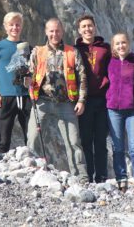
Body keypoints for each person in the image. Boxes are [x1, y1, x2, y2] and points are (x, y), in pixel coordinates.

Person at [27, 18, 88, 180]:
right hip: (42, 102)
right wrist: (25, 79)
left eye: (58, 31)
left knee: (73, 141)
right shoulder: (37, 52)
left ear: (62, 32)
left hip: (66, 103)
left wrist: (81, 100)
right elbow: (29, 75)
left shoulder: (72, 52)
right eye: (51, 31)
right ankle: (31, 172)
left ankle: (81, 177)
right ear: (46, 32)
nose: (55, 34)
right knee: (33, 138)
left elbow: (82, 77)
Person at [0, 12, 32, 153]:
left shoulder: (28, 47)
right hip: (6, 96)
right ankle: (0, 164)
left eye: (17, 24)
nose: (14, 27)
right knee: (3, 136)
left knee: (30, 135)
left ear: (21, 26)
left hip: (25, 95)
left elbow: (34, 71)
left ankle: (33, 162)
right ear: (5, 27)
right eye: (11, 25)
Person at [106, 33, 134, 194]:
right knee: (117, 147)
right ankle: (121, 180)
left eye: (123, 43)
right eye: (117, 44)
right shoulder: (109, 62)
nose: (121, 46)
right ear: (113, 47)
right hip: (113, 109)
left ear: (128, 44)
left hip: (133, 109)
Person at [74, 15, 111, 183]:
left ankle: (102, 175)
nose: (87, 29)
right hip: (84, 101)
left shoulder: (105, 48)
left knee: (101, 139)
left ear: (95, 27)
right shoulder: (74, 50)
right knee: (86, 139)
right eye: (84, 26)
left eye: (90, 26)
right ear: (79, 30)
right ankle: (88, 175)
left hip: (102, 99)